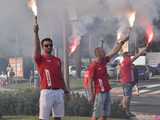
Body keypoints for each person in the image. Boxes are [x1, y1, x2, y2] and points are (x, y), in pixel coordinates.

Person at [88, 35, 130, 120]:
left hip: (106, 90)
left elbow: (114, 51)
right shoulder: (93, 65)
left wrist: (122, 42)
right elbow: (90, 81)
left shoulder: (104, 60)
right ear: (98, 54)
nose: (105, 52)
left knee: (105, 114)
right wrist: (91, 95)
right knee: (96, 114)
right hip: (99, 92)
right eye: (103, 52)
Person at [33, 21, 68, 120]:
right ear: (43, 47)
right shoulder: (40, 59)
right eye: (46, 45)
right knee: (44, 118)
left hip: (59, 92)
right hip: (47, 92)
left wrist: (65, 90)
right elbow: (36, 48)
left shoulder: (57, 60)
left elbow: (60, 76)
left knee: (58, 117)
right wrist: (36, 33)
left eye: (51, 45)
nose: (49, 47)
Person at [119, 46, 148, 117]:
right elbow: (135, 57)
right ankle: (126, 112)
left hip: (126, 82)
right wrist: (141, 52)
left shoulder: (124, 62)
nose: (130, 57)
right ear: (126, 56)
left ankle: (124, 109)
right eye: (129, 55)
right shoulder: (126, 61)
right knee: (127, 97)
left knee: (125, 97)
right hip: (127, 83)